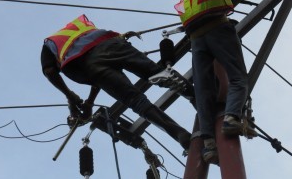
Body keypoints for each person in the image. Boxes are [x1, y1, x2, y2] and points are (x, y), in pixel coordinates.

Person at [174, 0, 267, 163]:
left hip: (195, 35)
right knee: (238, 78)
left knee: (204, 92)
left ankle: (208, 145)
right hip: (216, 25)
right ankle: (231, 119)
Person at [40, 14, 191, 150]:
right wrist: (89, 102)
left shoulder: (49, 44)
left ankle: (179, 134)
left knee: (136, 101)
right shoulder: (77, 25)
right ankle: (195, 97)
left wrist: (70, 96)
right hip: (113, 44)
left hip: (92, 66)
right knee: (156, 72)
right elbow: (96, 79)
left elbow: (50, 72)